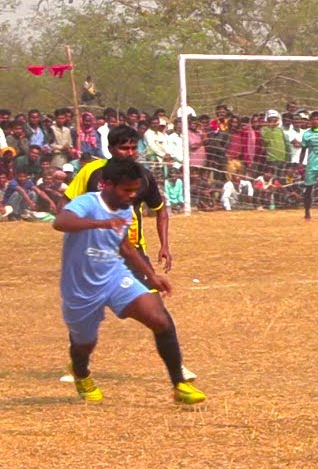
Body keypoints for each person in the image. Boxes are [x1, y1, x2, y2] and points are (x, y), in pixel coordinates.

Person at [53, 158, 205, 405]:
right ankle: (81, 373)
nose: (133, 195)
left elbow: (125, 246)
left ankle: (179, 385)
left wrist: (152, 276)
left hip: (114, 275)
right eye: (127, 190)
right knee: (85, 344)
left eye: (135, 190)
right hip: (80, 285)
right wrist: (101, 223)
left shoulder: (125, 208)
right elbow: (60, 222)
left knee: (160, 319)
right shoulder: (87, 202)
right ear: (108, 185)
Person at [66, 125, 175, 274]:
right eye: (124, 148)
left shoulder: (144, 176)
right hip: (97, 252)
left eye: (133, 148)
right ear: (110, 149)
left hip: (133, 251)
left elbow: (160, 211)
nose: (130, 153)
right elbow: (65, 205)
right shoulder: (92, 171)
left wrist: (164, 246)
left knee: (151, 288)